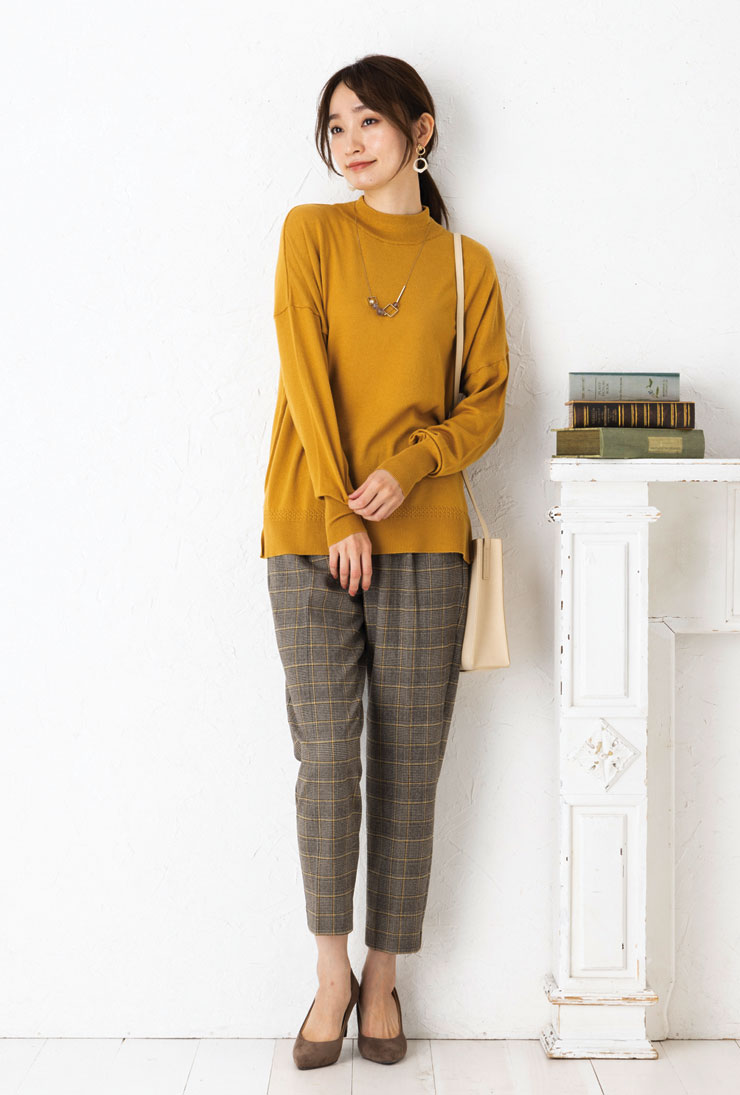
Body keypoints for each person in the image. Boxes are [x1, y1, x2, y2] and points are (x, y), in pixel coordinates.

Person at [260, 53, 509, 1069]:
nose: (350, 142)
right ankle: (328, 974)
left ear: (421, 130)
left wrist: (409, 468)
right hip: (309, 530)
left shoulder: (468, 266)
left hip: (426, 538)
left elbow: (485, 402)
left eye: (368, 121)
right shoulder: (310, 232)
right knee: (326, 760)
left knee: (410, 765)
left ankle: (382, 975)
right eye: (336, 126)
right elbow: (303, 370)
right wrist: (339, 508)